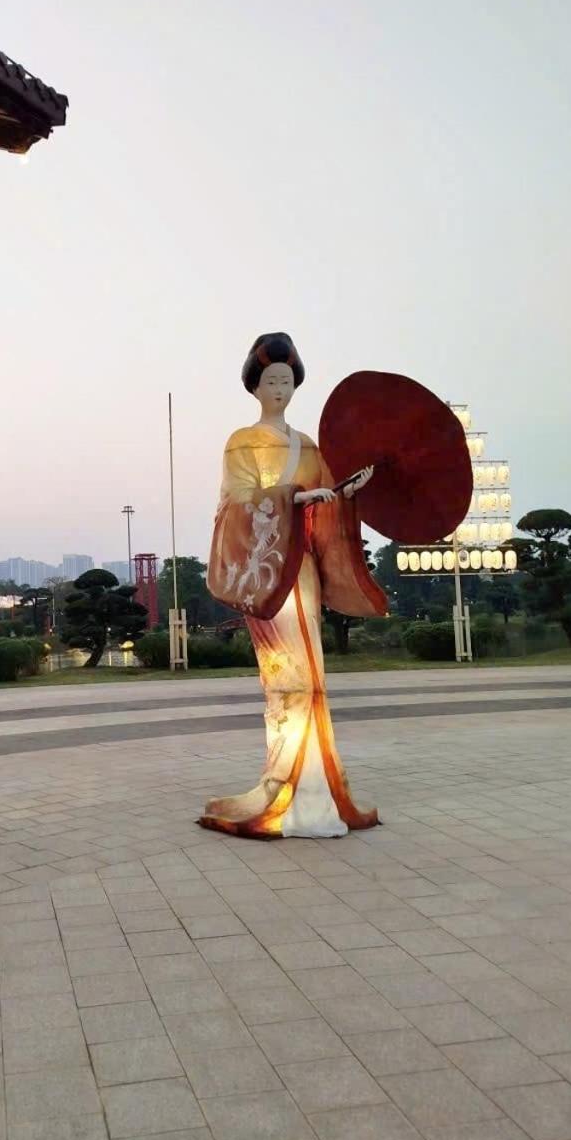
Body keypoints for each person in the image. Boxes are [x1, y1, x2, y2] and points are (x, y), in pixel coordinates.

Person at [201, 332, 386, 838]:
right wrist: (295, 499)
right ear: (254, 387)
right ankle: (286, 783)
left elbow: (330, 501)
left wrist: (348, 491)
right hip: (270, 571)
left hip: (302, 571)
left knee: (313, 675)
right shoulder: (242, 442)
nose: (279, 390)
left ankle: (316, 787)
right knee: (287, 677)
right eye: (270, 381)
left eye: (286, 381)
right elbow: (236, 503)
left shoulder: (309, 446)